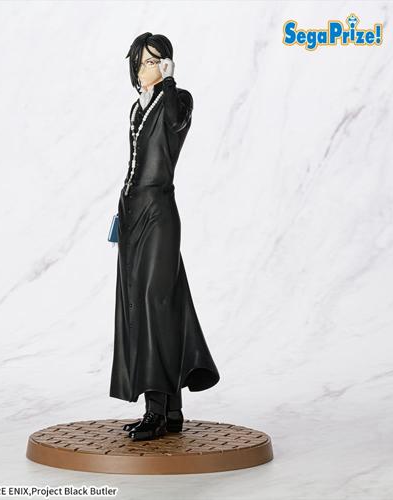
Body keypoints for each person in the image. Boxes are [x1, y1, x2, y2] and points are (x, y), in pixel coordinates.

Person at [109, 32, 220, 442]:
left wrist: (169, 81)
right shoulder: (136, 108)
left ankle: (156, 412)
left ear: (168, 64)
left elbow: (174, 124)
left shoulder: (178, 100)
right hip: (132, 213)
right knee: (142, 304)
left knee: (155, 304)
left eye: (155, 61)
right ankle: (170, 410)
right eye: (142, 62)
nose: (147, 69)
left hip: (159, 213)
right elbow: (134, 162)